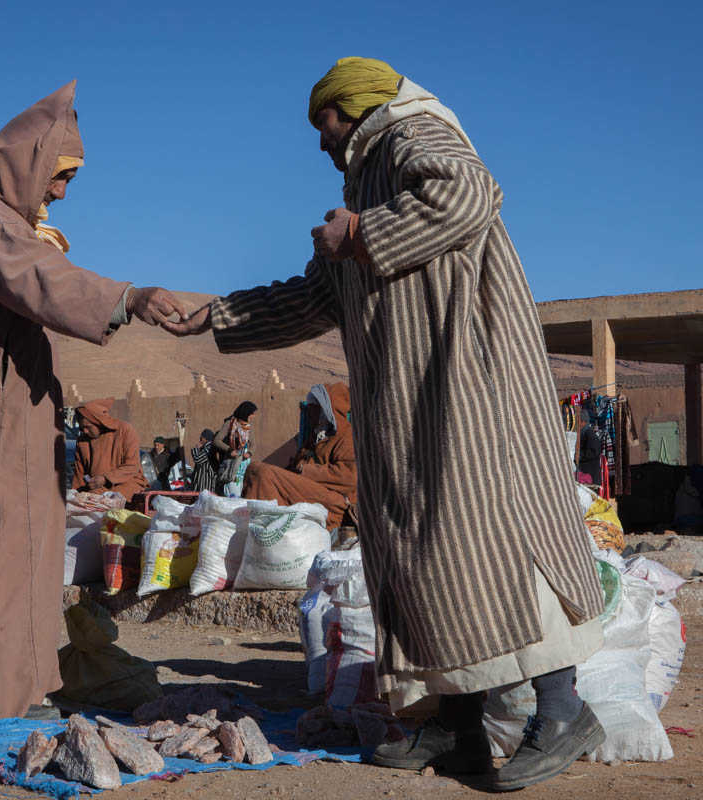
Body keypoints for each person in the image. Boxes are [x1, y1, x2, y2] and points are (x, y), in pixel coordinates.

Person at [164, 58, 606, 791]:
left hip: (467, 391)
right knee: (424, 556)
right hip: (407, 408)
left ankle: (562, 709)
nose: (319, 140)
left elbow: (470, 194)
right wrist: (219, 314)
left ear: (357, 108)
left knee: (488, 540)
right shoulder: (364, 181)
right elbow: (317, 296)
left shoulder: (412, 134)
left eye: (324, 121)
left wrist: (364, 231)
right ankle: (458, 725)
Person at [0, 81, 186, 721]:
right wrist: (126, 298)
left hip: (13, 411)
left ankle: (15, 685)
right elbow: (34, 277)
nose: (60, 193)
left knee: (24, 545)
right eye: (59, 178)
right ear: (29, 162)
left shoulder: (4, 217)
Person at [242, 382, 356, 529]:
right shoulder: (315, 438)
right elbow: (292, 469)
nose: (309, 412)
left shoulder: (347, 437)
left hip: (334, 503)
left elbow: (350, 477)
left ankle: (255, 530)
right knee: (255, 470)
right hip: (307, 492)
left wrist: (306, 470)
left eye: (314, 408)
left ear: (327, 411)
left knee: (263, 473)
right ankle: (254, 532)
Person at [71, 399, 149, 498]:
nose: (85, 431)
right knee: (90, 500)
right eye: (81, 428)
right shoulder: (82, 441)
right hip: (99, 487)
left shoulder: (124, 430)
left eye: (87, 427)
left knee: (117, 499)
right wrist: (75, 493)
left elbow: (132, 465)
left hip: (127, 483)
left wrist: (105, 478)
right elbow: (79, 473)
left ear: (97, 421)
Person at [211, 401, 256, 493]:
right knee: (233, 493)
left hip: (244, 464)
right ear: (246, 413)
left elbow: (253, 444)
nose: (254, 416)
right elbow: (216, 440)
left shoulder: (248, 427)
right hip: (232, 464)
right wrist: (229, 449)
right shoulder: (230, 424)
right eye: (252, 414)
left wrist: (249, 452)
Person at [576, 409, 602, 484]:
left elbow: (594, 452)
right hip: (586, 474)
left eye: (577, 421)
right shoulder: (583, 433)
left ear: (582, 421)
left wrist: (578, 455)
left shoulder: (589, 434)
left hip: (590, 476)